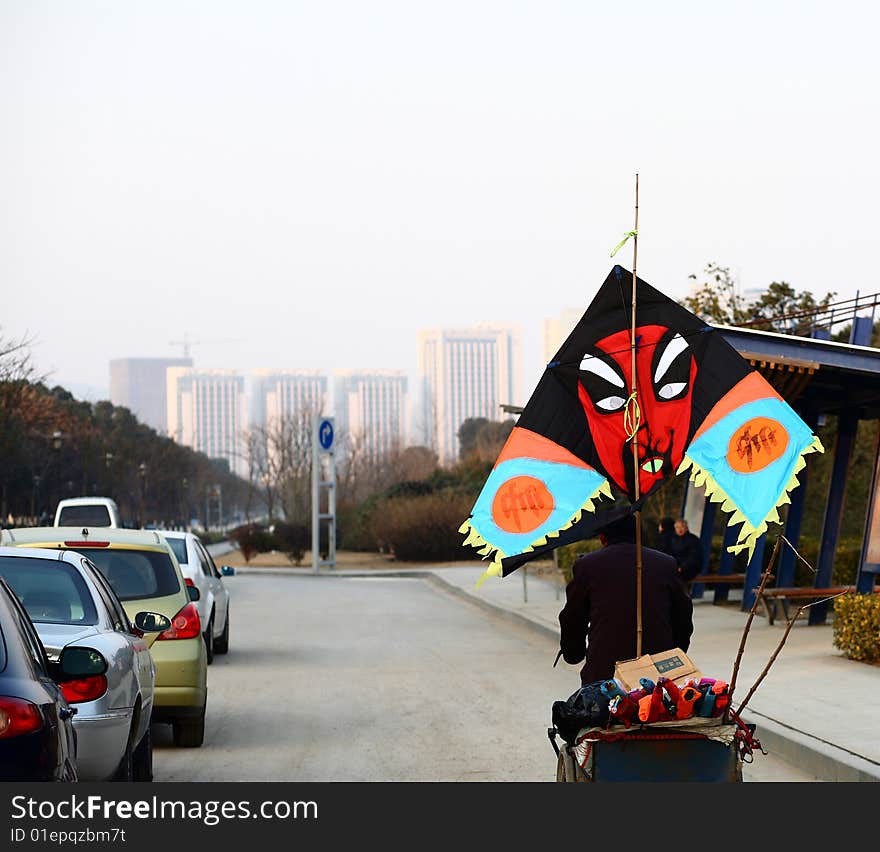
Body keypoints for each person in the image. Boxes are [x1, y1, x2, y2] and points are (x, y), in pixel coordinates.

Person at [558, 513, 694, 685]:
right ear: (641, 534)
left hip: (605, 672)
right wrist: (676, 653)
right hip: (658, 673)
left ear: (602, 537)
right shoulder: (666, 563)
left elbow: (573, 617)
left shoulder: (588, 565)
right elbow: (683, 615)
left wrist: (573, 653)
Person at [670, 518, 703, 583]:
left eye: (682, 527)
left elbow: (693, 557)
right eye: (677, 527)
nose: (680, 529)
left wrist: (682, 567)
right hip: (677, 568)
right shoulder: (673, 539)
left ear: (686, 528)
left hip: (690, 568)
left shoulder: (693, 539)